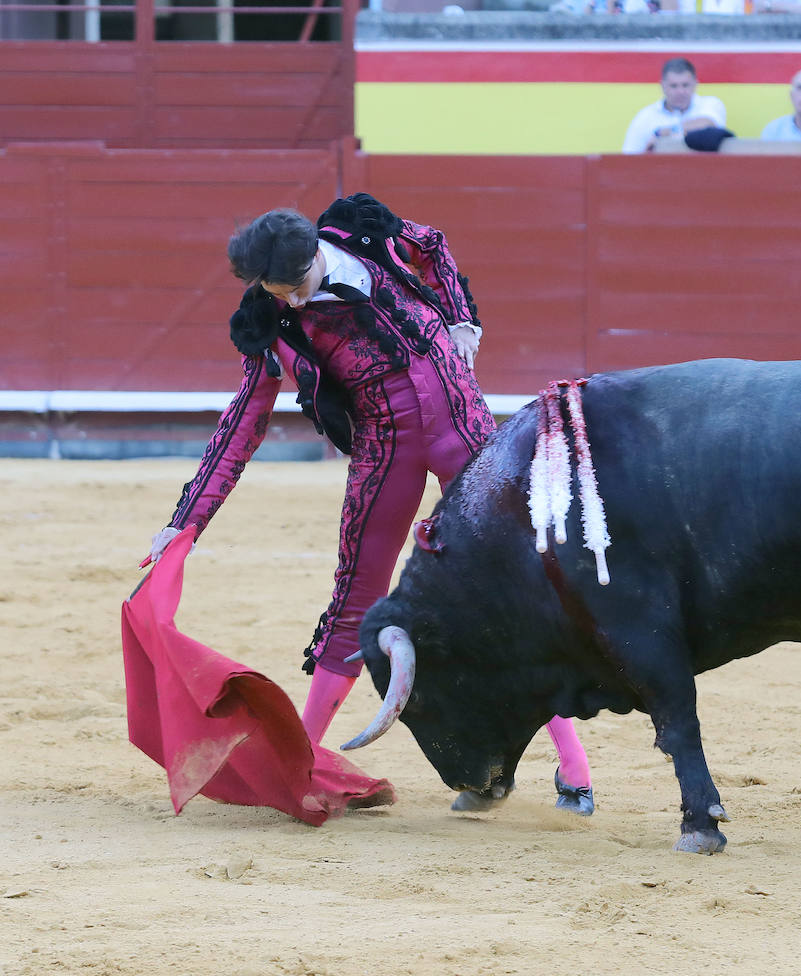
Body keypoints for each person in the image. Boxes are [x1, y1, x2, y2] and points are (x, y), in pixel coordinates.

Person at [142, 194, 596, 816]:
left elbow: (434, 244)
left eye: (297, 286)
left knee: (513, 586)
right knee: (354, 602)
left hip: (463, 426)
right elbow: (244, 420)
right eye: (278, 292)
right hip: (386, 448)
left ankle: (574, 769)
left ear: (315, 255)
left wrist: (465, 320)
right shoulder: (272, 322)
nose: (293, 303)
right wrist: (185, 521)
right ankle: (298, 767)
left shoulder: (361, 234)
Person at [622, 57, 727, 154]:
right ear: (662, 86)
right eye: (674, 86)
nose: (680, 91)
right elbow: (629, 156)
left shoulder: (711, 104)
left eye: (685, 85)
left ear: (695, 84)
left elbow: (707, 124)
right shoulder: (645, 116)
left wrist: (662, 133)